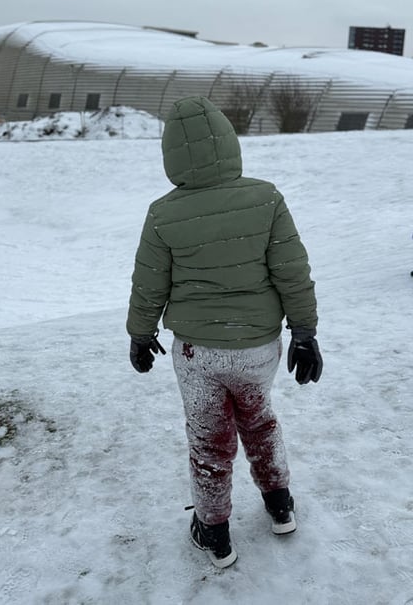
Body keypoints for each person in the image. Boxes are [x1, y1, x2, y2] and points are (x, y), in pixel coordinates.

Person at [125, 96, 322, 569]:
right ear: (229, 144)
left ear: (172, 155)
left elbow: (149, 282)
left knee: (208, 439)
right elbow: (292, 272)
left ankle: (213, 532)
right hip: (257, 346)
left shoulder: (163, 213)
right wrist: (304, 332)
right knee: (259, 420)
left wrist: (140, 333)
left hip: (199, 354)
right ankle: (280, 505)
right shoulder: (266, 198)